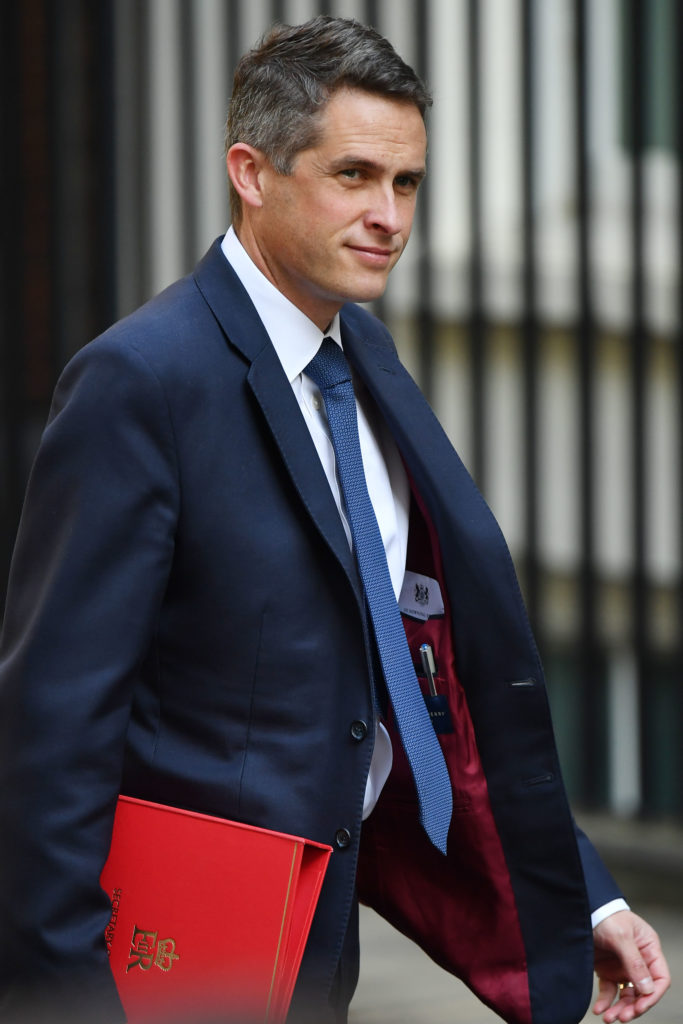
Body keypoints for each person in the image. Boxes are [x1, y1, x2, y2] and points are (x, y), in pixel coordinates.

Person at [0, 15, 670, 1024]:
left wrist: (585, 895)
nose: (387, 216)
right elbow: (53, 733)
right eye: (353, 175)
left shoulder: (363, 357)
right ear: (251, 173)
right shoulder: (139, 382)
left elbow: (427, 675)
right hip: (174, 951)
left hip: (318, 940)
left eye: (406, 183)